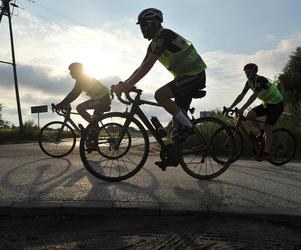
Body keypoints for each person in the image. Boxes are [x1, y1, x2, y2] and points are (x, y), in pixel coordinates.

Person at [112, 8, 207, 141]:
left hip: (195, 74)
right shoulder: (152, 45)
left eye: (145, 24)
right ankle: (174, 155)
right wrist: (124, 83)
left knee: (160, 95)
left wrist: (129, 84)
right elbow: (141, 67)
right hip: (184, 77)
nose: (142, 29)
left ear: (156, 22)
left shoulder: (164, 35)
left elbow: (148, 65)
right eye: (141, 26)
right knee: (177, 125)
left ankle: (190, 127)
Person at [227, 63, 284, 161]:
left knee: (268, 127)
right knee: (250, 115)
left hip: (276, 104)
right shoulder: (248, 82)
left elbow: (254, 95)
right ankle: (262, 133)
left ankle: (266, 153)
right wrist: (230, 107)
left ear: (254, 72)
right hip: (267, 104)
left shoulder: (260, 79)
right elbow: (241, 95)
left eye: (249, 72)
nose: (247, 74)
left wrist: (243, 108)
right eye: (246, 73)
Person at [56, 62, 111, 146]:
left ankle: (93, 128)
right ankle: (93, 143)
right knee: (94, 122)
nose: (70, 73)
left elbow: (73, 95)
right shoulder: (82, 78)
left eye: (71, 71)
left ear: (76, 71)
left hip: (102, 99)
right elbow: (73, 95)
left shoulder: (82, 79)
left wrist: (61, 104)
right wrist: (62, 103)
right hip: (101, 98)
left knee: (80, 108)